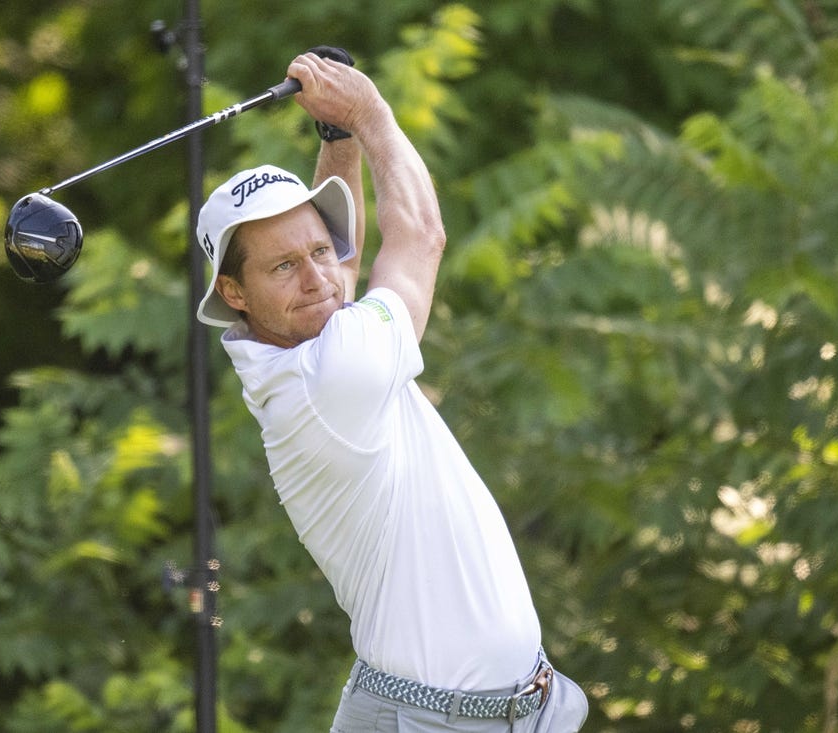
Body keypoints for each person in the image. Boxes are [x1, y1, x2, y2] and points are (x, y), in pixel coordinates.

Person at [195, 50, 589, 732]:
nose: (317, 277)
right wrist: (368, 114)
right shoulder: (332, 376)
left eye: (316, 250)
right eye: (284, 265)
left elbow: (342, 260)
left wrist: (335, 138)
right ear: (233, 292)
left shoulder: (296, 348)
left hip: (496, 708)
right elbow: (421, 236)